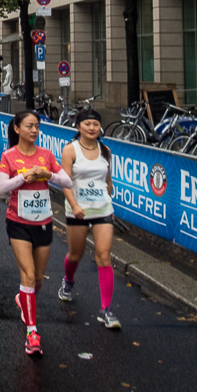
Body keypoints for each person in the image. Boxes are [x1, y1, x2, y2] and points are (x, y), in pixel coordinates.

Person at [0, 110, 73, 356]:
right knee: (28, 274)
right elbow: (1, 188)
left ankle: (23, 298)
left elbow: (67, 182)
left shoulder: (47, 155)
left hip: (43, 221)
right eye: (29, 126)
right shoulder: (9, 156)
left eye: (37, 126)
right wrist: (23, 177)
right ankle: (32, 332)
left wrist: (46, 174)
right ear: (17, 129)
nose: (34, 130)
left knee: (38, 278)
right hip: (18, 222)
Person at [57, 109, 121, 329]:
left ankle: (106, 309)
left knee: (104, 256)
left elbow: (107, 180)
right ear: (79, 127)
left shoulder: (106, 150)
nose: (92, 128)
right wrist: (74, 206)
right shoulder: (70, 150)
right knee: (76, 254)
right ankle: (68, 282)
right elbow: (65, 181)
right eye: (88, 124)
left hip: (102, 209)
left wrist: (109, 203)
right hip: (78, 210)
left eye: (95, 124)